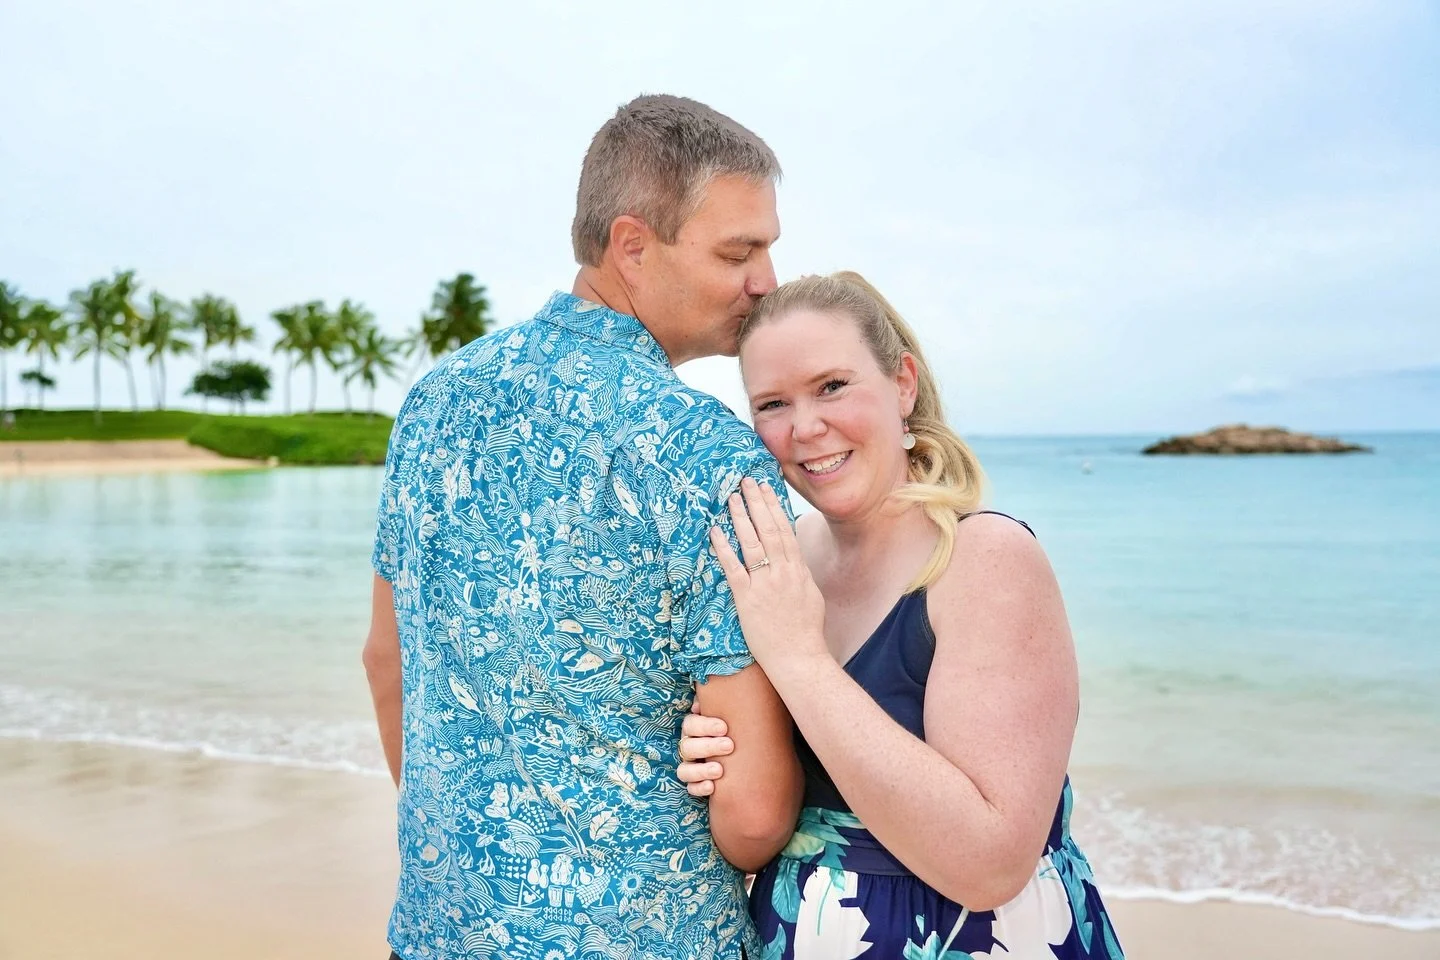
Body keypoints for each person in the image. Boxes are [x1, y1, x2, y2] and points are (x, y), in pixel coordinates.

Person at [363, 94, 804, 960]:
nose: (767, 282)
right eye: (738, 251)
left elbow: (387, 660)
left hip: (440, 931)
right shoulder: (709, 455)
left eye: (769, 250)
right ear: (632, 246)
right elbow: (750, 820)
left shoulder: (431, 404)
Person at [676, 272, 1125, 958]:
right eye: (771, 403)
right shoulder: (779, 563)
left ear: (903, 384)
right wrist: (712, 759)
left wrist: (799, 661)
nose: (804, 428)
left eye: (831, 386)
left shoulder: (984, 559)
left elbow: (990, 863)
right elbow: (753, 834)